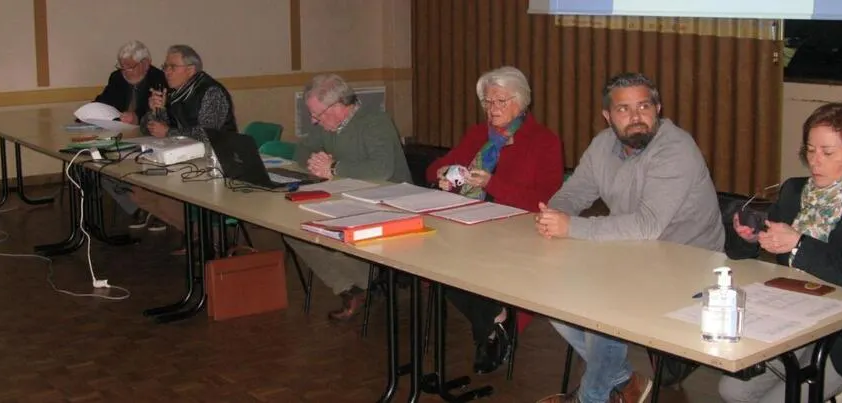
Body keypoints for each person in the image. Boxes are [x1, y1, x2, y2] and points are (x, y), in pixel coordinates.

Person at [534, 72, 724, 403]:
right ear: (607, 116)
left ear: (658, 109)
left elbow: (648, 226)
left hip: (689, 265)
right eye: (624, 109)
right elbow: (576, 192)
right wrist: (553, 214)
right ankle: (624, 380)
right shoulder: (602, 145)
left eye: (644, 106)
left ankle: (591, 398)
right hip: (633, 254)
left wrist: (572, 227)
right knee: (551, 293)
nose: (636, 117)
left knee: (603, 301)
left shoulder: (676, 149)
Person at [718, 102, 842, 403]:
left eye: (827, 152)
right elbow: (742, 253)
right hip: (794, 318)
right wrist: (749, 238)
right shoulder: (795, 191)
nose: (814, 161)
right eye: (810, 150)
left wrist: (799, 244)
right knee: (731, 390)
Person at [425, 66, 564, 374]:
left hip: (517, 228)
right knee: (429, 257)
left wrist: (492, 184)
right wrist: (444, 175)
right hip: (470, 222)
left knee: (459, 259)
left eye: (501, 101)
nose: (493, 108)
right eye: (488, 101)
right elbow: (435, 168)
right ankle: (497, 317)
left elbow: (546, 200)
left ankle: (490, 329)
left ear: (521, 102)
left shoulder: (544, 141)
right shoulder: (478, 134)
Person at [283, 74, 412, 321]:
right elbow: (301, 151)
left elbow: (381, 170)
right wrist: (316, 163)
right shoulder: (327, 126)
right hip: (349, 198)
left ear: (338, 106)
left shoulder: (375, 122)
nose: (313, 121)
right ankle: (351, 287)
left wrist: (334, 168)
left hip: (389, 203)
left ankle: (367, 278)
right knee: (294, 229)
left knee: (334, 233)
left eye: (317, 114)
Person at [130, 45, 238, 235]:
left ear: (190, 70)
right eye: (165, 66)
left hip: (216, 163)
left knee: (164, 198)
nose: (167, 71)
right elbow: (148, 128)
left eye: (172, 67)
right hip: (187, 161)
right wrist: (155, 111)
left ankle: (211, 238)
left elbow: (208, 135)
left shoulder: (211, 92)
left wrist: (169, 132)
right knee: (140, 193)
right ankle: (198, 236)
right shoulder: (175, 92)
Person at [94, 40, 169, 231]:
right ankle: (138, 208)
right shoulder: (117, 77)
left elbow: (164, 113)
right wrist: (90, 112)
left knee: (146, 168)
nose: (125, 71)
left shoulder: (160, 79)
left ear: (145, 63)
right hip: (121, 136)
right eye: (121, 66)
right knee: (98, 165)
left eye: (130, 66)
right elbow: (104, 101)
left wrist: (137, 117)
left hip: (151, 138)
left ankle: (160, 212)